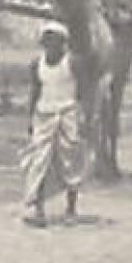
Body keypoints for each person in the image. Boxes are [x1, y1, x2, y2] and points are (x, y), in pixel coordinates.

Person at [20, 22, 89, 227]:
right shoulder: (36, 64)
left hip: (68, 114)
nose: (51, 46)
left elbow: (83, 92)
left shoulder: (73, 63)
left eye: (55, 42)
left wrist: (84, 116)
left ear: (63, 43)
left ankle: (71, 209)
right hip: (44, 115)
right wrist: (31, 119)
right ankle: (38, 210)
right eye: (47, 41)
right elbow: (35, 92)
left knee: (70, 160)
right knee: (39, 161)